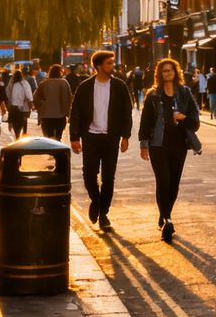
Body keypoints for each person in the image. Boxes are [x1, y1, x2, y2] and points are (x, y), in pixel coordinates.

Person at [70, 51, 134, 232]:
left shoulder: (119, 86)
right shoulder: (85, 87)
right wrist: (74, 137)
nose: (112, 67)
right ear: (98, 66)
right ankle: (96, 201)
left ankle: (104, 213)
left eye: (112, 63)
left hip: (111, 137)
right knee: (89, 175)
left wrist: (125, 136)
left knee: (108, 177)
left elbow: (126, 112)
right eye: (109, 63)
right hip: (90, 137)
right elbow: (75, 113)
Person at [139, 58, 199, 242]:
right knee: (163, 181)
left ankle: (165, 213)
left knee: (174, 184)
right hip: (158, 145)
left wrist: (183, 117)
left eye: (170, 70)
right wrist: (144, 145)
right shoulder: (153, 95)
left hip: (179, 144)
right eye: (164, 71)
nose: (168, 73)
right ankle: (167, 219)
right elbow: (146, 121)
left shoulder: (185, 93)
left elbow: (195, 122)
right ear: (159, 74)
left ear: (176, 72)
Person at [34, 64, 72, 140]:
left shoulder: (44, 83)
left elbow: (36, 97)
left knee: (48, 139)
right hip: (60, 116)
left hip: (46, 116)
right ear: (60, 72)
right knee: (58, 138)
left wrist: (42, 107)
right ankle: (57, 151)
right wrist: (66, 112)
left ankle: (50, 151)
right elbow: (68, 98)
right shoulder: (64, 83)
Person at [5, 68, 33, 139]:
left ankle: (17, 137)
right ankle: (24, 135)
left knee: (16, 124)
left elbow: (7, 94)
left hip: (14, 108)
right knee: (24, 122)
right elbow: (29, 96)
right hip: (24, 108)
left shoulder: (11, 84)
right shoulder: (25, 83)